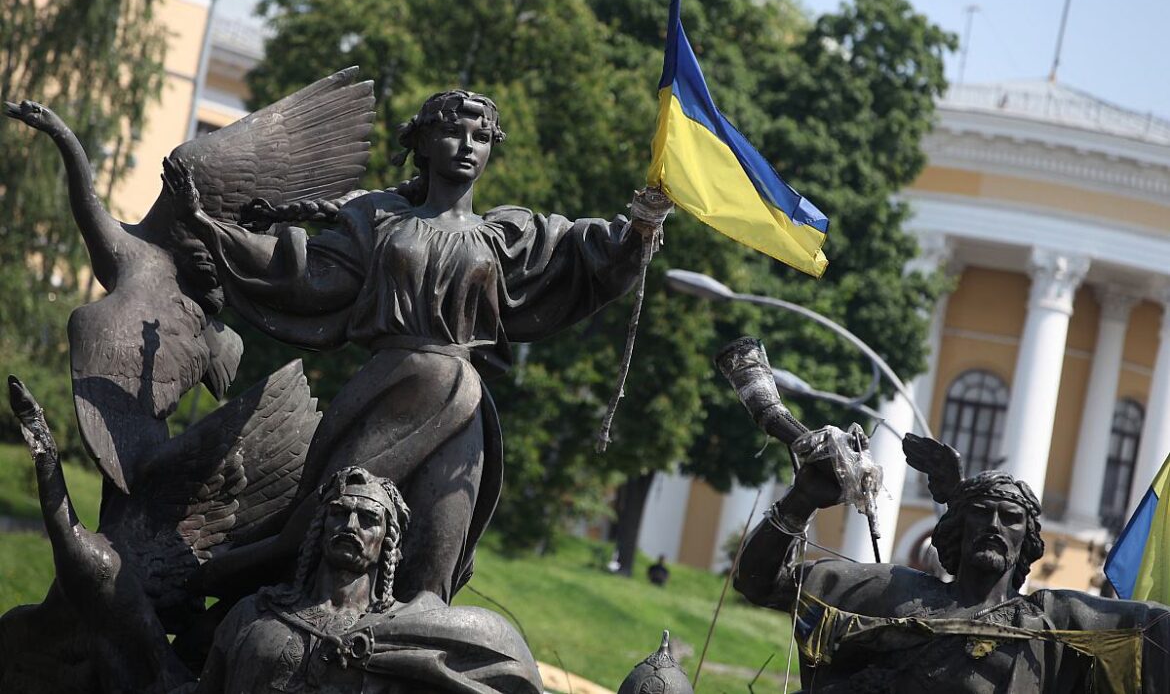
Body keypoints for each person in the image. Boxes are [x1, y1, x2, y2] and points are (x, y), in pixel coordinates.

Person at [164, 89, 671, 602]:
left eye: (481, 137)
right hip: (386, 392)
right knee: (317, 535)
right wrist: (207, 226)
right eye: (452, 132)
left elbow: (587, 256)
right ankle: (225, 601)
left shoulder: (507, 235)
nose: (468, 145)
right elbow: (303, 275)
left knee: (432, 572)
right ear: (423, 143)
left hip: (461, 405)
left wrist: (642, 226)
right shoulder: (379, 220)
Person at [734, 446, 1170, 692]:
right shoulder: (894, 592)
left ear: (1027, 540)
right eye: (981, 512)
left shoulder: (1054, 623)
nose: (995, 525)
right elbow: (761, 582)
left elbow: (1158, 633)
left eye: (1010, 518)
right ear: (957, 527)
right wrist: (802, 498)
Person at [193, 466, 543, 693]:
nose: (350, 526)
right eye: (339, 514)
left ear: (388, 543)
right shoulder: (253, 615)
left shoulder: (409, 632)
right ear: (319, 529)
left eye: (368, 519)